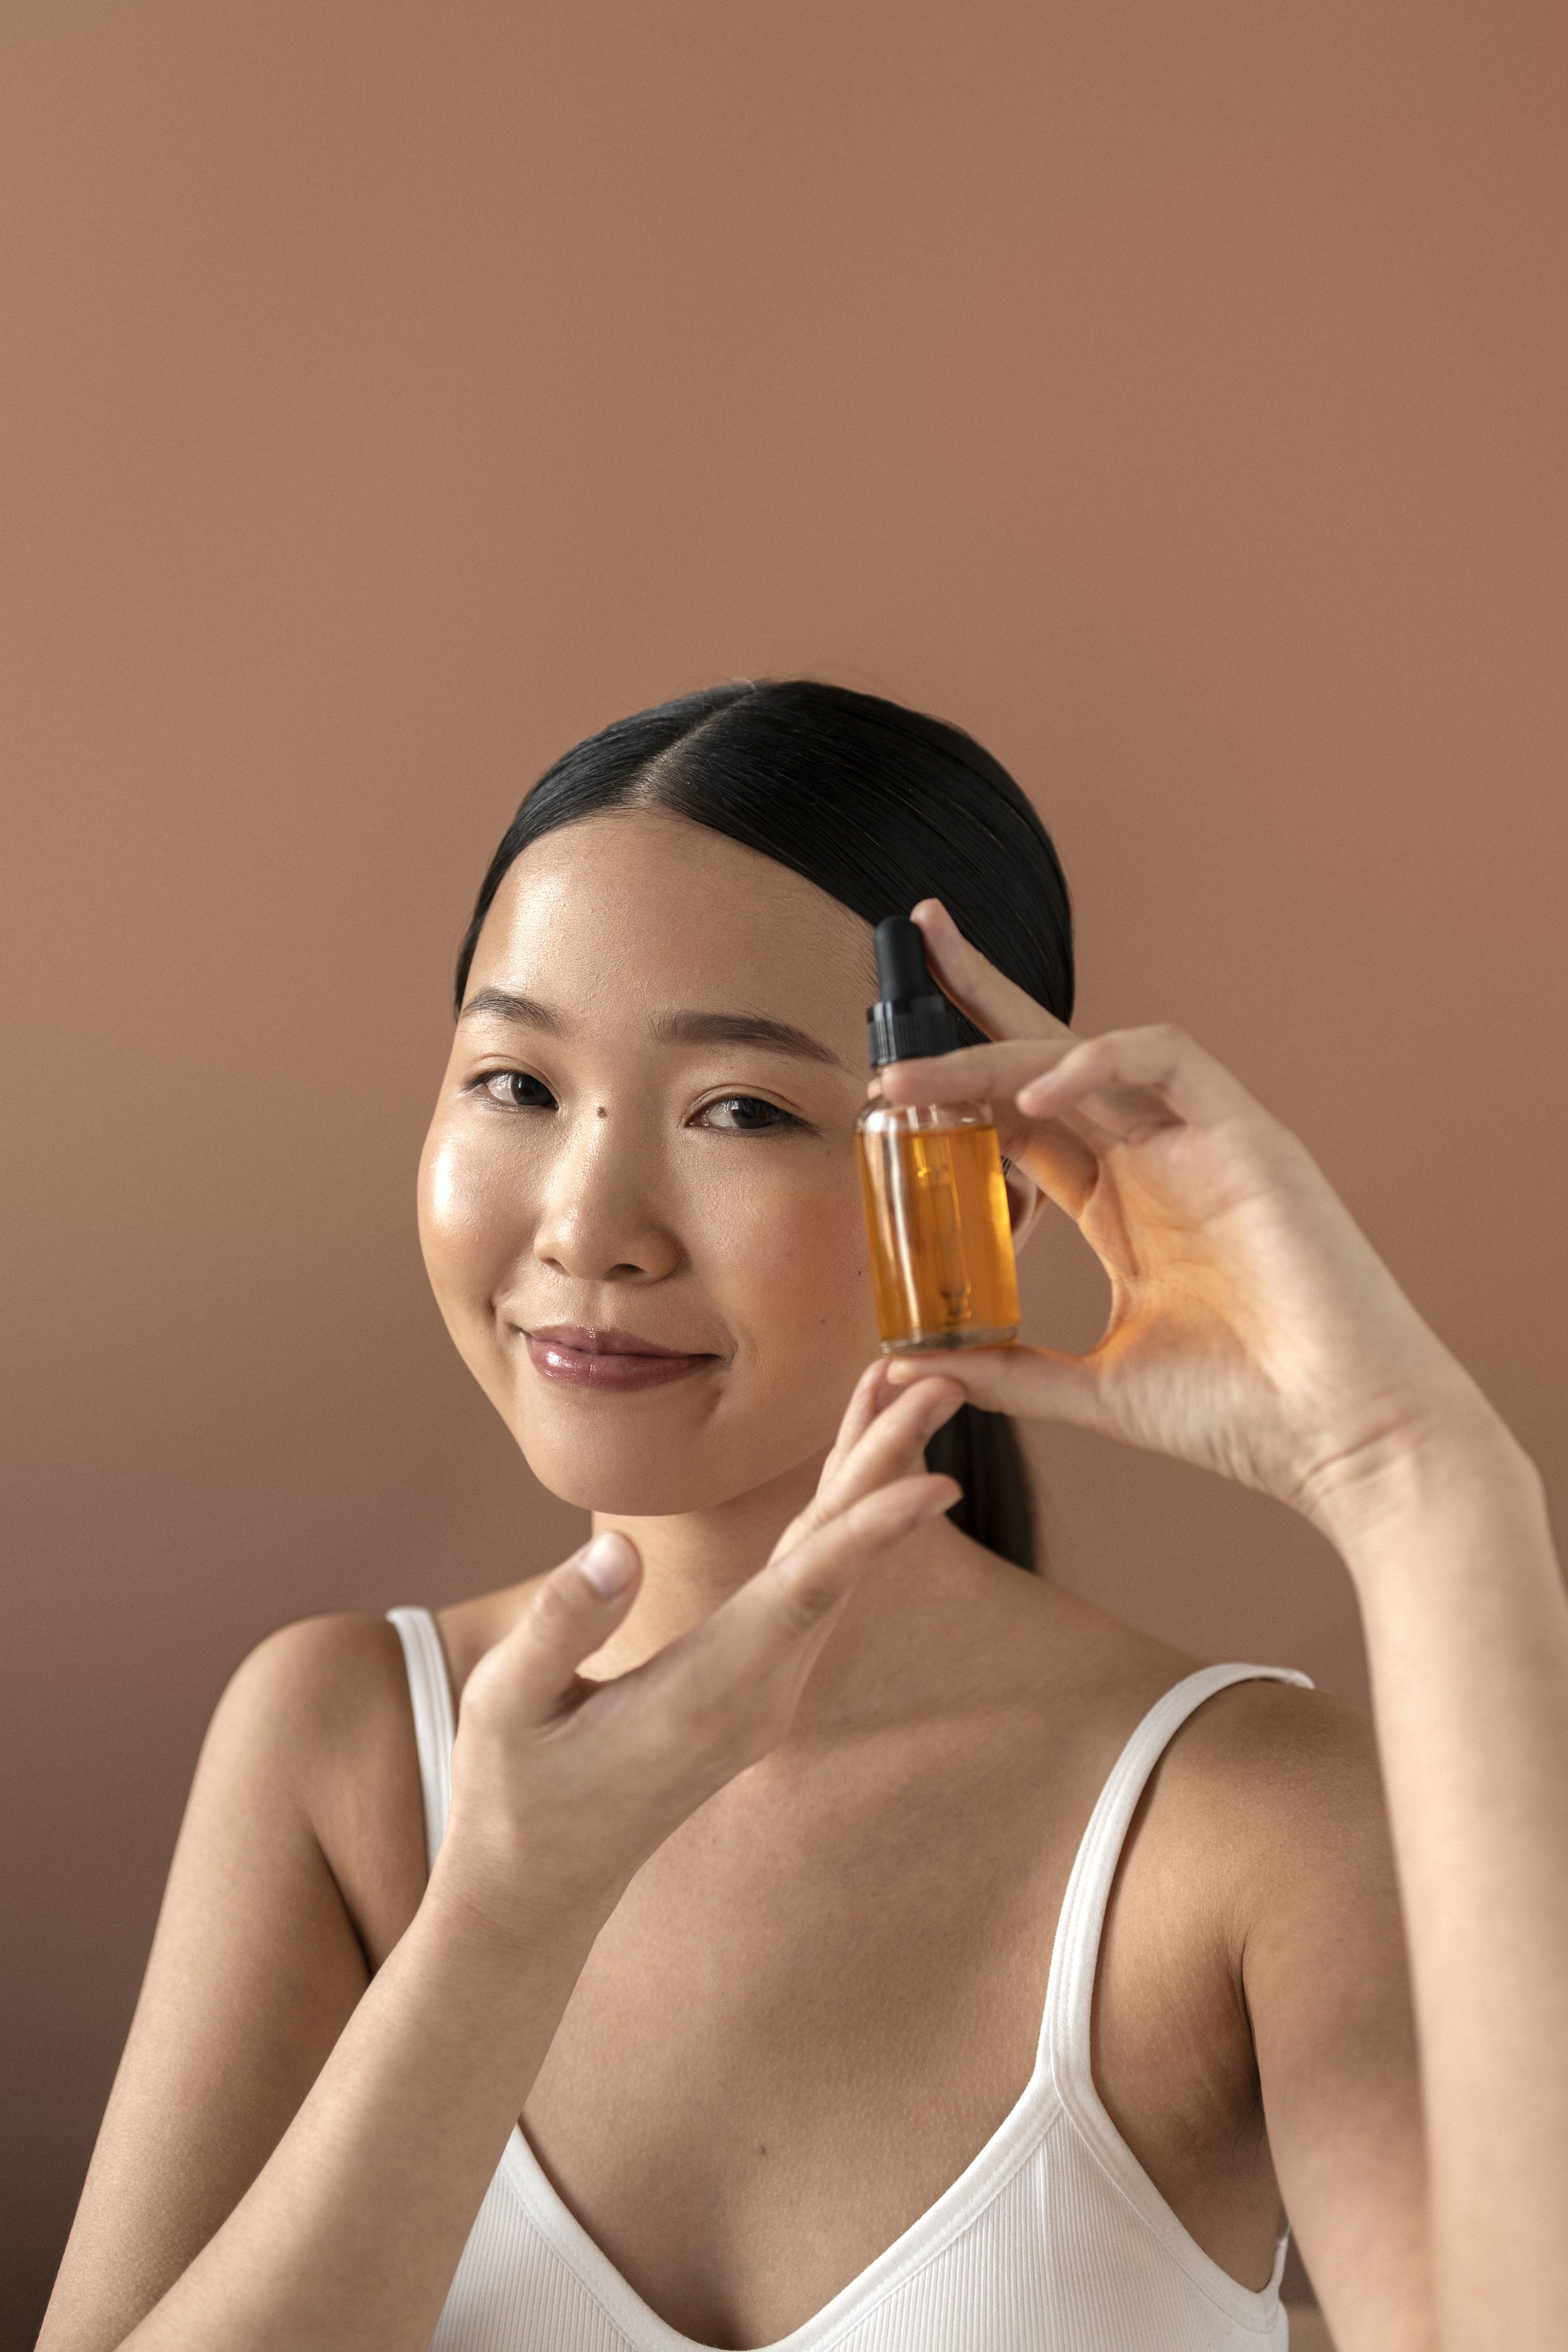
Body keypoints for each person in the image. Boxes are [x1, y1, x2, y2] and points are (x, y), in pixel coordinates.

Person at [45, 675, 1537, 2352]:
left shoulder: (1244, 1827)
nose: (590, 1224)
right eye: (516, 1082)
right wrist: (502, 1920)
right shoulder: (346, 1747)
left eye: (742, 1110)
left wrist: (1419, 1478)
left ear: (975, 1183)